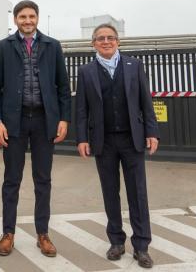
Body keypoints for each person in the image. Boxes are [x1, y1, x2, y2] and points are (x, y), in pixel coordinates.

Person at [0, 0, 71, 257]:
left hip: (44, 121)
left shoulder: (52, 46)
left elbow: (63, 86)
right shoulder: (4, 46)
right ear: (15, 19)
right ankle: (8, 233)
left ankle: (43, 234)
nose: (27, 21)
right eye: (22, 16)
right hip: (14, 121)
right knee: (11, 179)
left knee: (43, 179)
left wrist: (63, 119)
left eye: (31, 16)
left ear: (37, 18)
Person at [75, 23, 160, 269]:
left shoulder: (134, 66)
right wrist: (82, 138)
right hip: (104, 141)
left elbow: (145, 101)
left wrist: (152, 132)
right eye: (100, 38)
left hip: (132, 139)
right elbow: (81, 109)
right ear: (93, 43)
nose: (106, 41)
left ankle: (141, 246)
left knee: (138, 193)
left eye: (110, 37)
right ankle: (116, 241)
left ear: (118, 41)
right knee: (110, 192)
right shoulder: (86, 71)